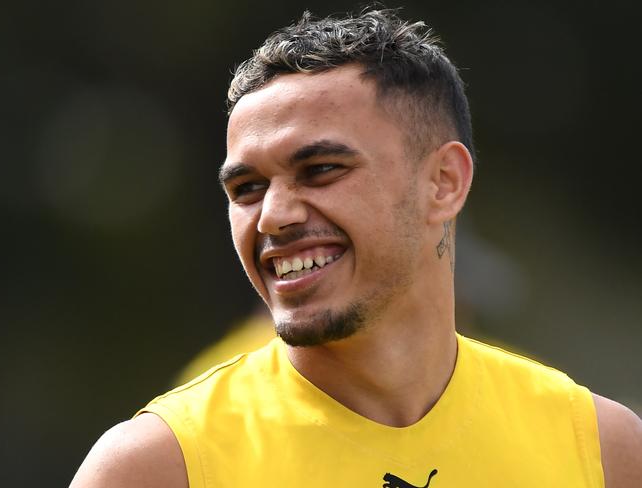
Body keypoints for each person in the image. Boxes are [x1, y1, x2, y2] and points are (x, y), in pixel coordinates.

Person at [70, 8, 642, 488]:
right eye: (247, 188)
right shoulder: (159, 467)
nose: (273, 214)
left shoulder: (600, 450)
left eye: (320, 170)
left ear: (444, 182)